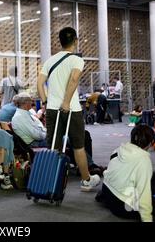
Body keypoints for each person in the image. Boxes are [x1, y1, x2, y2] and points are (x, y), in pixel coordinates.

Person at [37, 26, 101, 192]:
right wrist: (66, 102)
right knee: (78, 146)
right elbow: (73, 80)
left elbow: (39, 83)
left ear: (60, 41)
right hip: (71, 109)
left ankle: (48, 182)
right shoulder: (76, 59)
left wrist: (45, 101)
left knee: (53, 147)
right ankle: (86, 180)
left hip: (51, 109)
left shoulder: (50, 60)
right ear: (75, 41)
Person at [95, 125, 154, 222]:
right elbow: (144, 193)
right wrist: (147, 218)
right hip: (122, 206)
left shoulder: (119, 149)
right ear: (151, 142)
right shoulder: (144, 160)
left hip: (106, 192)